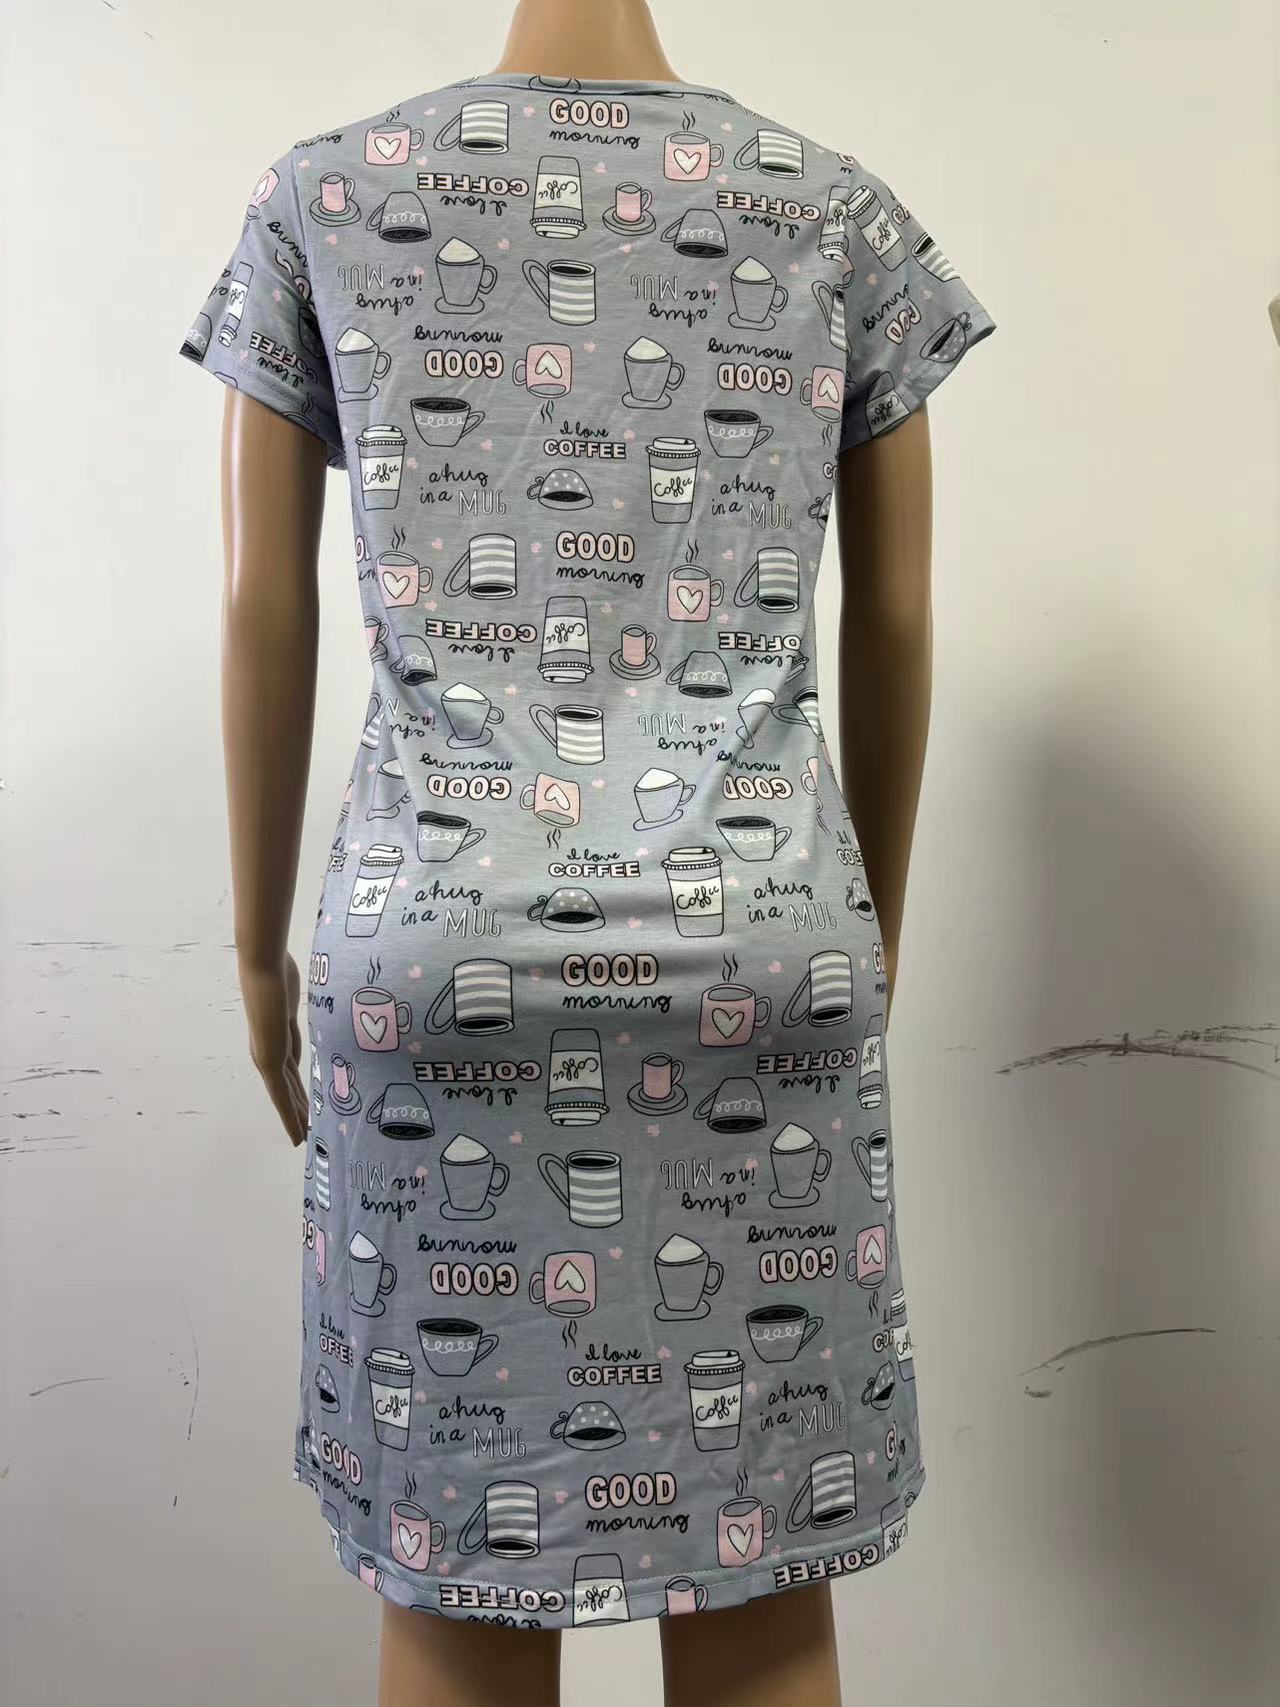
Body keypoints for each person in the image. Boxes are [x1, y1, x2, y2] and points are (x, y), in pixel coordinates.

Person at [178, 2, 996, 1701]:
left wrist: (255, 949)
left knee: (459, 1592)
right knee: (763, 1587)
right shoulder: (829, 207)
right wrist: (869, 931)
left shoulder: (327, 195)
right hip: (762, 935)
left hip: (439, 946)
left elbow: (259, 606)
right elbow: (902, 617)